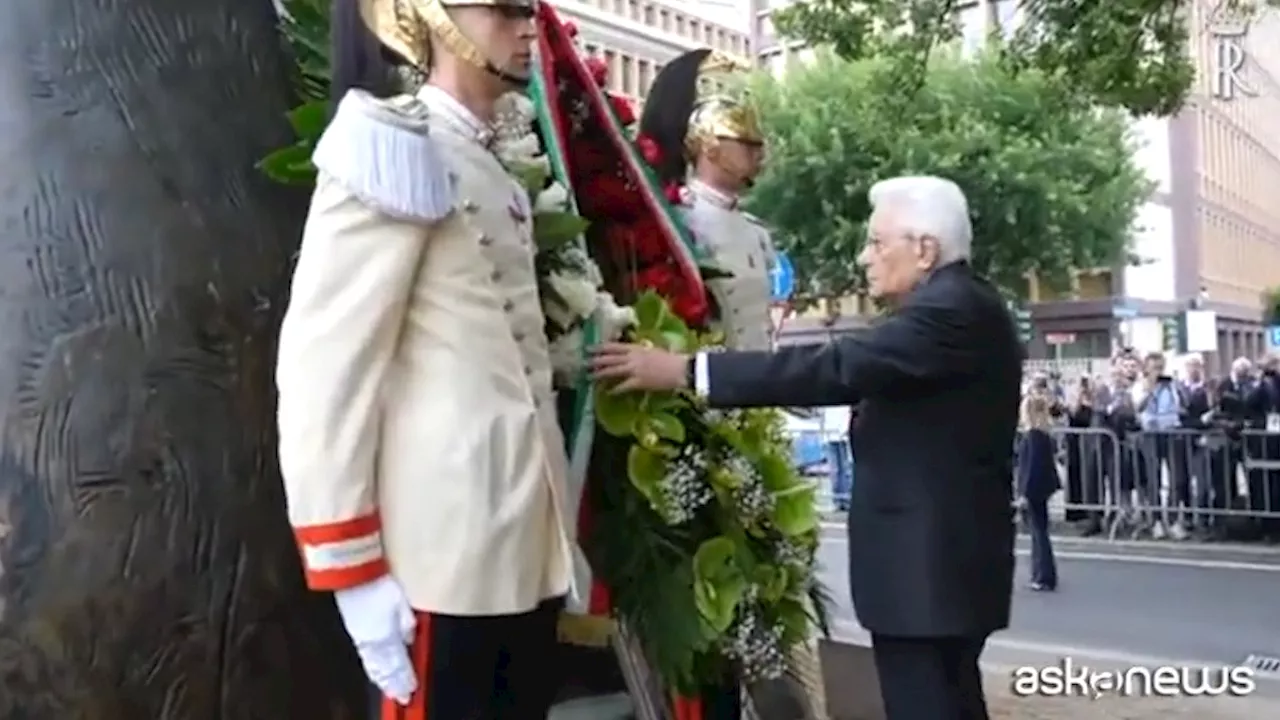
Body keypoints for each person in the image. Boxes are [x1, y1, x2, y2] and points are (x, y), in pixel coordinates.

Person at [591, 175, 1021, 720]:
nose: (864, 257)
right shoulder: (960, 304)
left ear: (925, 249)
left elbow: (834, 368)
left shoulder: (950, 311)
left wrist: (683, 369)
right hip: (935, 574)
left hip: (929, 574)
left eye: (876, 242)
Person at [275, 1, 576, 718]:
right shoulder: (388, 147)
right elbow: (326, 371)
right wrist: (353, 570)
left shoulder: (491, 165)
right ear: (436, 18)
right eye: (504, 9)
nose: (528, 28)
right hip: (442, 557)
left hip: (520, 543)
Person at [638, 48, 828, 720]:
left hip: (755, 413)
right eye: (744, 143)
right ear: (708, 146)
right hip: (704, 411)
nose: (757, 155)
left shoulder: (754, 232)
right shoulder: (676, 217)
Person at [1017, 393, 1061, 591]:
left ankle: (1042, 574)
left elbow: (1030, 467)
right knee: (1040, 530)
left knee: (1038, 532)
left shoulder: (1033, 436)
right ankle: (1045, 572)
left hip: (1034, 490)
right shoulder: (1043, 435)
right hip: (1042, 488)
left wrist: (1024, 493)